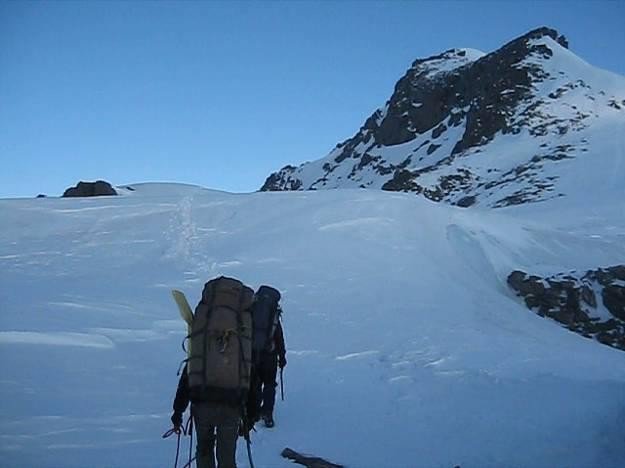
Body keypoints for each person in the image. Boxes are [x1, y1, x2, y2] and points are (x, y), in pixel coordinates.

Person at [171, 364, 258, 468]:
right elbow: (252, 381)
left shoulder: (200, 349)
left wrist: (177, 412)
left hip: (203, 408)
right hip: (230, 409)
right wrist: (251, 415)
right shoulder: (238, 349)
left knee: (204, 450)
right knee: (227, 455)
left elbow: (186, 381)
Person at [254, 307, 287, 428]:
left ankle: (254, 411)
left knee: (255, 384)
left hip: (253, 356)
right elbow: (279, 338)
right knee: (269, 384)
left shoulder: (253, 311)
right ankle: (267, 413)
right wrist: (282, 357)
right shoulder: (273, 316)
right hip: (270, 357)